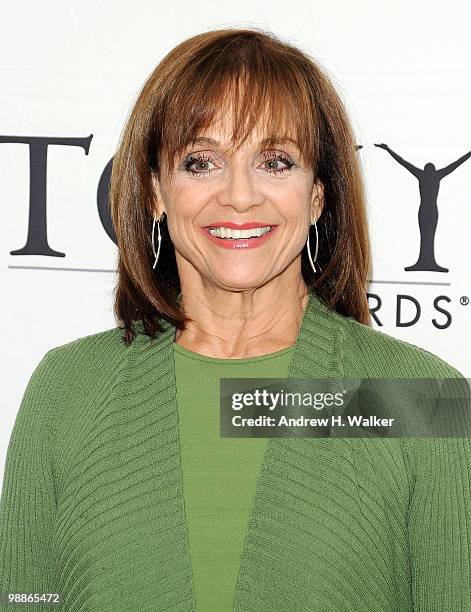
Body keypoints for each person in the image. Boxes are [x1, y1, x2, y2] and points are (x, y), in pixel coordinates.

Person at [1, 27, 470, 612]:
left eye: (275, 161)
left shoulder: (419, 400)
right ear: (155, 191)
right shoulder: (69, 391)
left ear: (319, 193)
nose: (240, 196)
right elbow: (26, 598)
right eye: (201, 162)